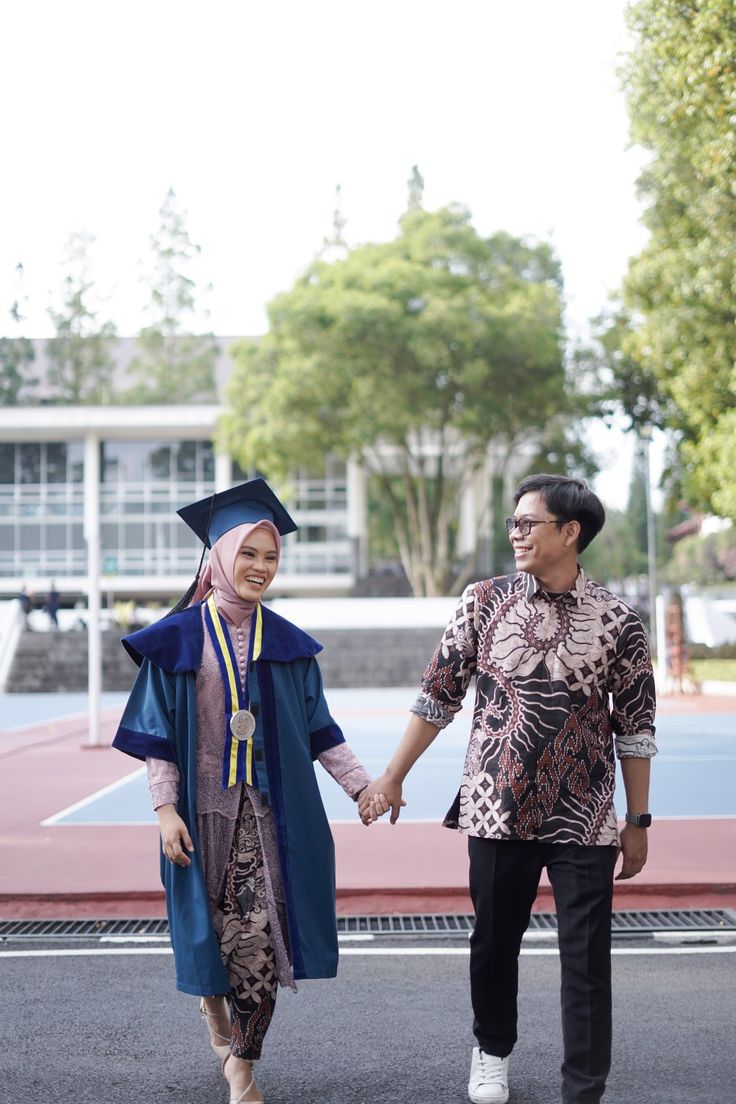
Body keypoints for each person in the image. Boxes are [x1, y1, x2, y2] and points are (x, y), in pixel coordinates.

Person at [360, 473, 657, 1104]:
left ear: (570, 533)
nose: (516, 534)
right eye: (513, 524)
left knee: (586, 956)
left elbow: (635, 728)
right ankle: (491, 1051)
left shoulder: (621, 622)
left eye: (529, 523)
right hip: (496, 805)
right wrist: (393, 774)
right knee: (495, 941)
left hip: (584, 813)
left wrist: (640, 818)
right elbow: (438, 693)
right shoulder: (483, 601)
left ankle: (584, 1086)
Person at [113, 479, 375, 1104]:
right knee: (210, 942)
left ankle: (242, 1069)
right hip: (201, 822)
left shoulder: (288, 647)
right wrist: (164, 810)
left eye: (272, 556)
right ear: (219, 556)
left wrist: (361, 786)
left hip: (269, 821)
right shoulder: (174, 640)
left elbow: (321, 729)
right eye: (249, 553)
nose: (260, 567)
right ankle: (213, 1010)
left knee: (260, 945)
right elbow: (155, 738)